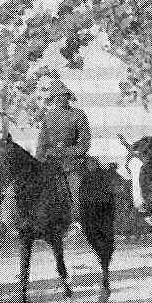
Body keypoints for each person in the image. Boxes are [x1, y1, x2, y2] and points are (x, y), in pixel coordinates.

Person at [35, 77, 91, 226]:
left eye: (63, 95)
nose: (60, 99)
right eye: (56, 96)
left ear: (68, 97)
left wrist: (65, 152)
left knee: (76, 191)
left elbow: (84, 144)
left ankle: (78, 223)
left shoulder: (78, 115)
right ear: (53, 99)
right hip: (49, 164)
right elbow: (41, 145)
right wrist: (38, 163)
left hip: (72, 164)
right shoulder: (48, 117)